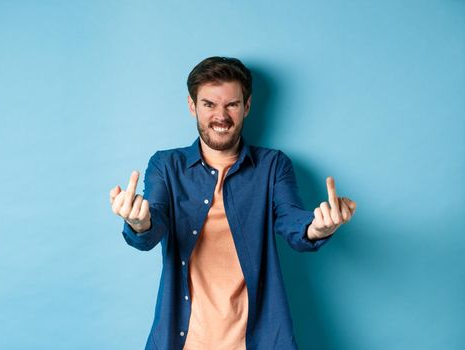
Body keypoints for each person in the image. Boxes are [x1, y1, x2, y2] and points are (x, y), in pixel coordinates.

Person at [110, 56, 357, 350]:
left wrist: (318, 228)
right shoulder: (166, 165)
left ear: (247, 106)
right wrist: (139, 223)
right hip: (183, 341)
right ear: (192, 106)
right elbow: (155, 222)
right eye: (209, 104)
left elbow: (293, 221)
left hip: (257, 340)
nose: (221, 116)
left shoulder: (273, 166)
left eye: (232, 104)